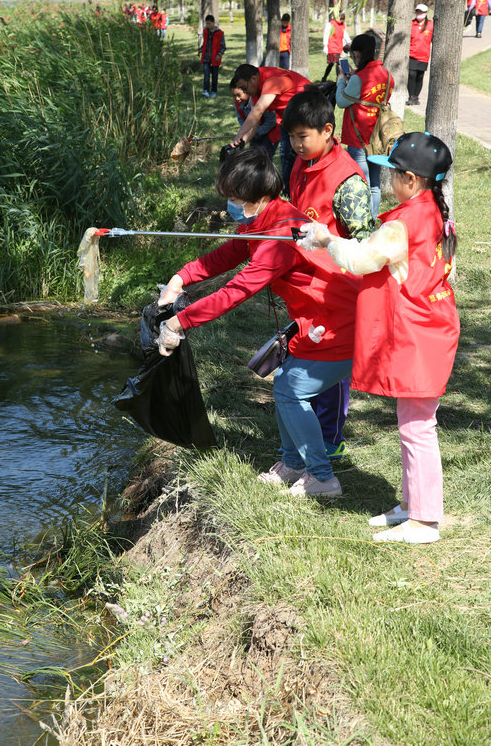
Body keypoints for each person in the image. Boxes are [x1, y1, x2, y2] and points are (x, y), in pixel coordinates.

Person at [157, 147, 361, 496]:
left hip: (342, 321)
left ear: (260, 196)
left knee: (290, 389)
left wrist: (180, 322)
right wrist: (182, 277)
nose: (231, 207)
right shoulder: (266, 220)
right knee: (284, 379)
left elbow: (236, 291)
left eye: (236, 199)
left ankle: (322, 477)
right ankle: (292, 463)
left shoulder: (279, 237)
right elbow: (228, 253)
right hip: (317, 318)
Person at [300, 132, 459, 543]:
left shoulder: (405, 222)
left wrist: (326, 238)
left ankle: (424, 521)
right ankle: (411, 505)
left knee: (418, 426)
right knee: (413, 421)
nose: (387, 180)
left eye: (392, 173)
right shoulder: (429, 210)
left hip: (419, 334)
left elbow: (359, 260)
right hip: (430, 328)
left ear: (411, 178)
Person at [282, 86, 375, 460]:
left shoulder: (348, 181)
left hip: (338, 290)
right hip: (307, 287)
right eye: (291, 136)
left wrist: (327, 245)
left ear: (327, 130)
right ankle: (308, 431)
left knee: (329, 367)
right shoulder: (299, 166)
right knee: (306, 357)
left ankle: (331, 437)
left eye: (302, 136)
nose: (295, 144)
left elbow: (365, 246)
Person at [229, 63, 311, 195]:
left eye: (244, 88)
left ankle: (301, 191)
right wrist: (242, 141)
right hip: (288, 118)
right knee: (287, 154)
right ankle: (290, 192)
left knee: (301, 154)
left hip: (307, 113)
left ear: (254, 79)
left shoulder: (271, 81)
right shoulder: (255, 90)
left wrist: (238, 135)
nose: (245, 92)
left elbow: (258, 110)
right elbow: (255, 121)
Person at [336, 33, 394, 217]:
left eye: (354, 54)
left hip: (358, 137)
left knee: (361, 182)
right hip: (378, 137)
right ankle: (372, 218)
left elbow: (341, 101)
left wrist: (340, 80)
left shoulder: (358, 78)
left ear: (358, 54)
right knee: (374, 184)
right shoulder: (387, 75)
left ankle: (361, 222)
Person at [230, 80, 280, 160]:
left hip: (271, 132)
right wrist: (243, 136)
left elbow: (271, 121)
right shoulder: (237, 104)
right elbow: (242, 121)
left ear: (247, 91)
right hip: (254, 134)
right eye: (234, 96)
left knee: (264, 159)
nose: (237, 99)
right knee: (252, 158)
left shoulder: (259, 102)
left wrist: (255, 133)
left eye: (239, 95)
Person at [407, 4, 433, 105]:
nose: (419, 14)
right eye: (417, 12)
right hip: (412, 54)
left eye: (421, 13)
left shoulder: (430, 25)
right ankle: (411, 96)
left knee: (419, 76)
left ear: (426, 14)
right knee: (411, 74)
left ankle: (416, 97)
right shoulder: (411, 24)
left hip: (424, 55)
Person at [199, 14, 226, 98]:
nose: (208, 25)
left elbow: (223, 46)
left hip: (215, 58)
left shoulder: (220, 33)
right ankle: (206, 90)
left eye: (209, 23)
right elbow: (205, 43)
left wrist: (219, 54)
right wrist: (200, 50)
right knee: (206, 74)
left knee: (214, 76)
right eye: (206, 23)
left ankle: (213, 91)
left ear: (214, 23)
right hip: (206, 57)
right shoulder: (205, 31)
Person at [322, 12, 350, 81]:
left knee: (341, 62)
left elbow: (344, 33)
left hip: (340, 46)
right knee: (337, 62)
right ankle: (338, 79)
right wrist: (325, 45)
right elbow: (326, 34)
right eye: (341, 18)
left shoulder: (342, 25)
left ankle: (347, 77)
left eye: (343, 19)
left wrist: (349, 42)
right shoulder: (331, 24)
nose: (341, 20)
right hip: (332, 47)